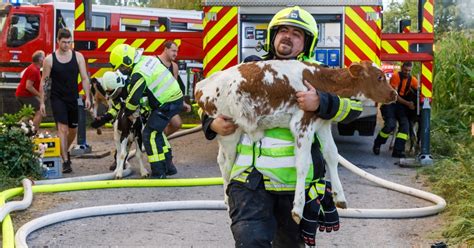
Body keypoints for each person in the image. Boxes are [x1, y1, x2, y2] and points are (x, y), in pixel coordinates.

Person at [201, 6, 363, 247]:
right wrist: (210, 124)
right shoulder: (251, 69)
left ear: (306, 43)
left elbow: (354, 107)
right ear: (273, 36)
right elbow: (211, 98)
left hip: (295, 185)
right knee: (250, 241)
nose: (288, 36)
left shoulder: (317, 74)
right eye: (283, 31)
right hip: (249, 179)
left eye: (297, 33)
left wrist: (322, 102)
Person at [109, 44, 183, 178]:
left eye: (122, 67)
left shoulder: (139, 72)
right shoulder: (147, 60)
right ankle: (169, 166)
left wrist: (126, 111)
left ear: (127, 61)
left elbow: (133, 99)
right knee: (158, 132)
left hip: (167, 102)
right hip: (173, 99)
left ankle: (159, 171)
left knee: (150, 134)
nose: (122, 70)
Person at [40, 28, 91, 173]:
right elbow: (44, 81)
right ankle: (65, 161)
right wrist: (42, 102)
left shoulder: (78, 56)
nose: (67, 45)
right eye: (64, 42)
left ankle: (64, 151)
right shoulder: (49, 59)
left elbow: (85, 78)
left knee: (72, 130)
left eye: (69, 42)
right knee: (62, 129)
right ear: (58, 41)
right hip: (57, 98)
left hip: (73, 98)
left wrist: (87, 96)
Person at [373, 61, 418, 158]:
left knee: (404, 128)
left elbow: (418, 92)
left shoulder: (413, 80)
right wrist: (408, 104)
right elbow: (395, 96)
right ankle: (377, 143)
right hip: (391, 104)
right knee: (390, 125)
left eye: (409, 71)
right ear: (402, 68)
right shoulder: (395, 76)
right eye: (405, 70)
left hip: (402, 107)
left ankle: (398, 151)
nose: (407, 72)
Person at [157, 40, 192, 136]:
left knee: (177, 124)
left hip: (167, 102)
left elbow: (175, 87)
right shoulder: (155, 62)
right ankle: (157, 141)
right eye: (173, 51)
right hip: (154, 103)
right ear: (166, 49)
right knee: (161, 126)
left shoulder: (174, 66)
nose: (176, 54)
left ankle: (160, 138)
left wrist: (182, 102)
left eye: (177, 51)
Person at [15, 50, 45, 131]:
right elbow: (28, 86)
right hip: (24, 95)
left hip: (22, 94)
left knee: (29, 114)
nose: (45, 60)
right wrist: (39, 95)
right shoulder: (34, 70)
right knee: (39, 110)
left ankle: (15, 130)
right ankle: (34, 132)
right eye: (44, 58)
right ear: (40, 60)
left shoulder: (35, 68)